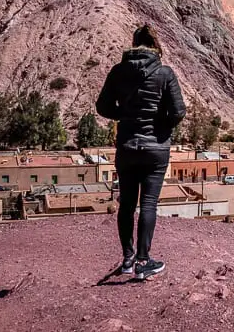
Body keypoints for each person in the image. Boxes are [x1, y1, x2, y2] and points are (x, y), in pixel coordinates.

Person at [97, 25, 186, 281]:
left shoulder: (118, 71)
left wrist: (125, 116)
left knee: (126, 204)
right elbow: (178, 111)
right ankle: (144, 261)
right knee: (148, 204)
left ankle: (127, 259)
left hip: (127, 145)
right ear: (155, 46)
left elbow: (102, 106)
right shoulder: (164, 72)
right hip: (156, 149)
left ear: (133, 44)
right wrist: (161, 127)